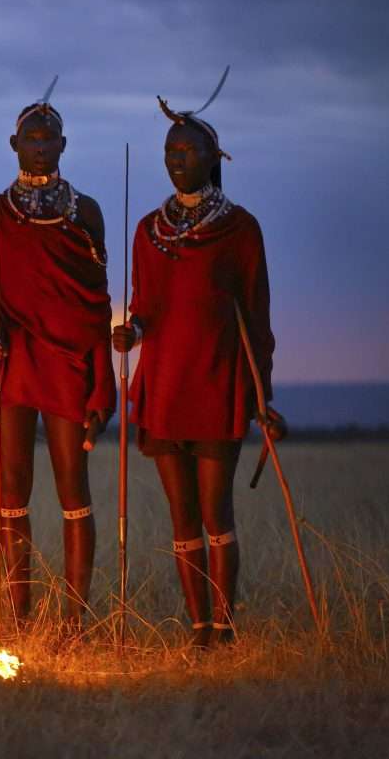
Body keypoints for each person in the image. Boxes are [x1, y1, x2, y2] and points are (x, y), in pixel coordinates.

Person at [112, 94, 285, 648]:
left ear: (215, 157)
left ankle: (226, 626)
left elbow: (256, 314)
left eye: (190, 149)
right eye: (171, 149)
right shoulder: (147, 230)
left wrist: (264, 393)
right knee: (180, 515)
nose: (178, 157)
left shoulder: (240, 229)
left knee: (216, 510)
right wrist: (129, 333)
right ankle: (199, 630)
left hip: (217, 382)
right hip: (162, 385)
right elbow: (144, 308)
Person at [0, 98, 115, 631]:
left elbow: (96, 301)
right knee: (11, 487)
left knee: (74, 483)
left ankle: (76, 620)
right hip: (15, 361)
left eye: (50, 137)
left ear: (64, 146)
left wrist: (102, 378)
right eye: (32, 137)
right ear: (14, 145)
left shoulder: (86, 211)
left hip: (69, 361)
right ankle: (18, 617)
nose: (41, 145)